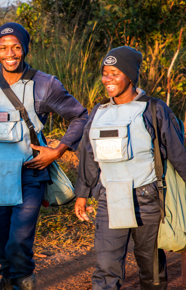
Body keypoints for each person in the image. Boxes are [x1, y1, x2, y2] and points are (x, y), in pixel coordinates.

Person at [0, 22, 88, 290]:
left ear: (25, 49)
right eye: (3, 48)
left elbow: (81, 116)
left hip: (31, 175)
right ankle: (11, 279)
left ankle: (22, 282)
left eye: (16, 47)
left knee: (18, 243)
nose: (9, 53)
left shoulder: (44, 84)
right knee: (3, 247)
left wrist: (58, 150)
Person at [74, 46, 186, 290]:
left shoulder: (154, 109)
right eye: (105, 73)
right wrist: (82, 194)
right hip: (109, 198)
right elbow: (89, 156)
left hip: (147, 199)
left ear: (130, 76)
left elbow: (178, 154)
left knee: (151, 268)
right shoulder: (98, 113)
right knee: (106, 268)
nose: (108, 79)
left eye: (115, 73)